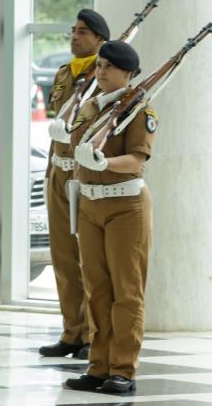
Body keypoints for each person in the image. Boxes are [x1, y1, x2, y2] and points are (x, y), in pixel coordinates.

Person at [63, 40, 155, 394]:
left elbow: (136, 160)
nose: (100, 72)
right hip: (90, 204)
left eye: (108, 67)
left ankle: (123, 370)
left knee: (126, 292)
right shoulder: (91, 106)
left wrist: (105, 163)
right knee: (96, 289)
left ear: (127, 73)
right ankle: (98, 366)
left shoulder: (138, 110)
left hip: (125, 206)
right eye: (99, 65)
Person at [39, 9, 109, 361]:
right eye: (73, 30)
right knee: (63, 256)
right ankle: (72, 330)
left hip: (83, 173)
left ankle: (94, 335)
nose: (75, 36)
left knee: (88, 259)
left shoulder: (103, 75)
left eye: (83, 32)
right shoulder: (65, 73)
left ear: (99, 40)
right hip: (58, 170)